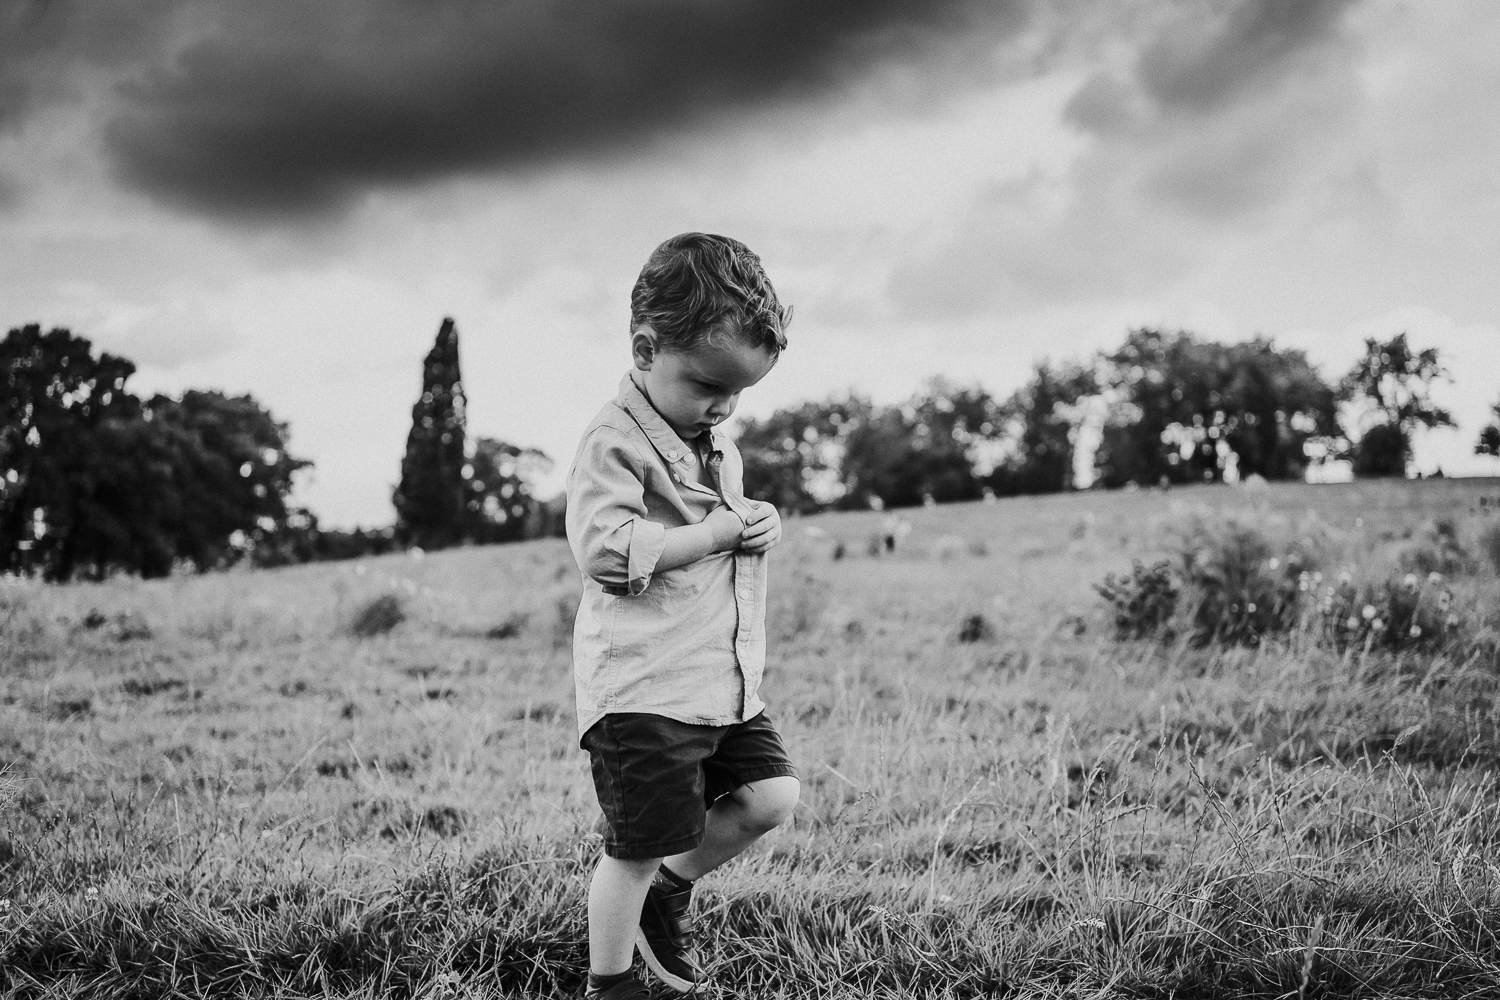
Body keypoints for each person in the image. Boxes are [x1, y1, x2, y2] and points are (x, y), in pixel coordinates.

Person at [565, 233, 802, 999]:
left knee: (772, 796)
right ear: (644, 349)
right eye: (708, 385)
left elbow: (722, 529)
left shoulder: (712, 441)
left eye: (740, 393)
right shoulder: (613, 443)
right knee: (634, 847)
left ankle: (671, 889)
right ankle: (612, 983)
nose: (725, 408)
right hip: (644, 687)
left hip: (717, 676)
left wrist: (753, 523)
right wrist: (713, 535)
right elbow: (606, 549)